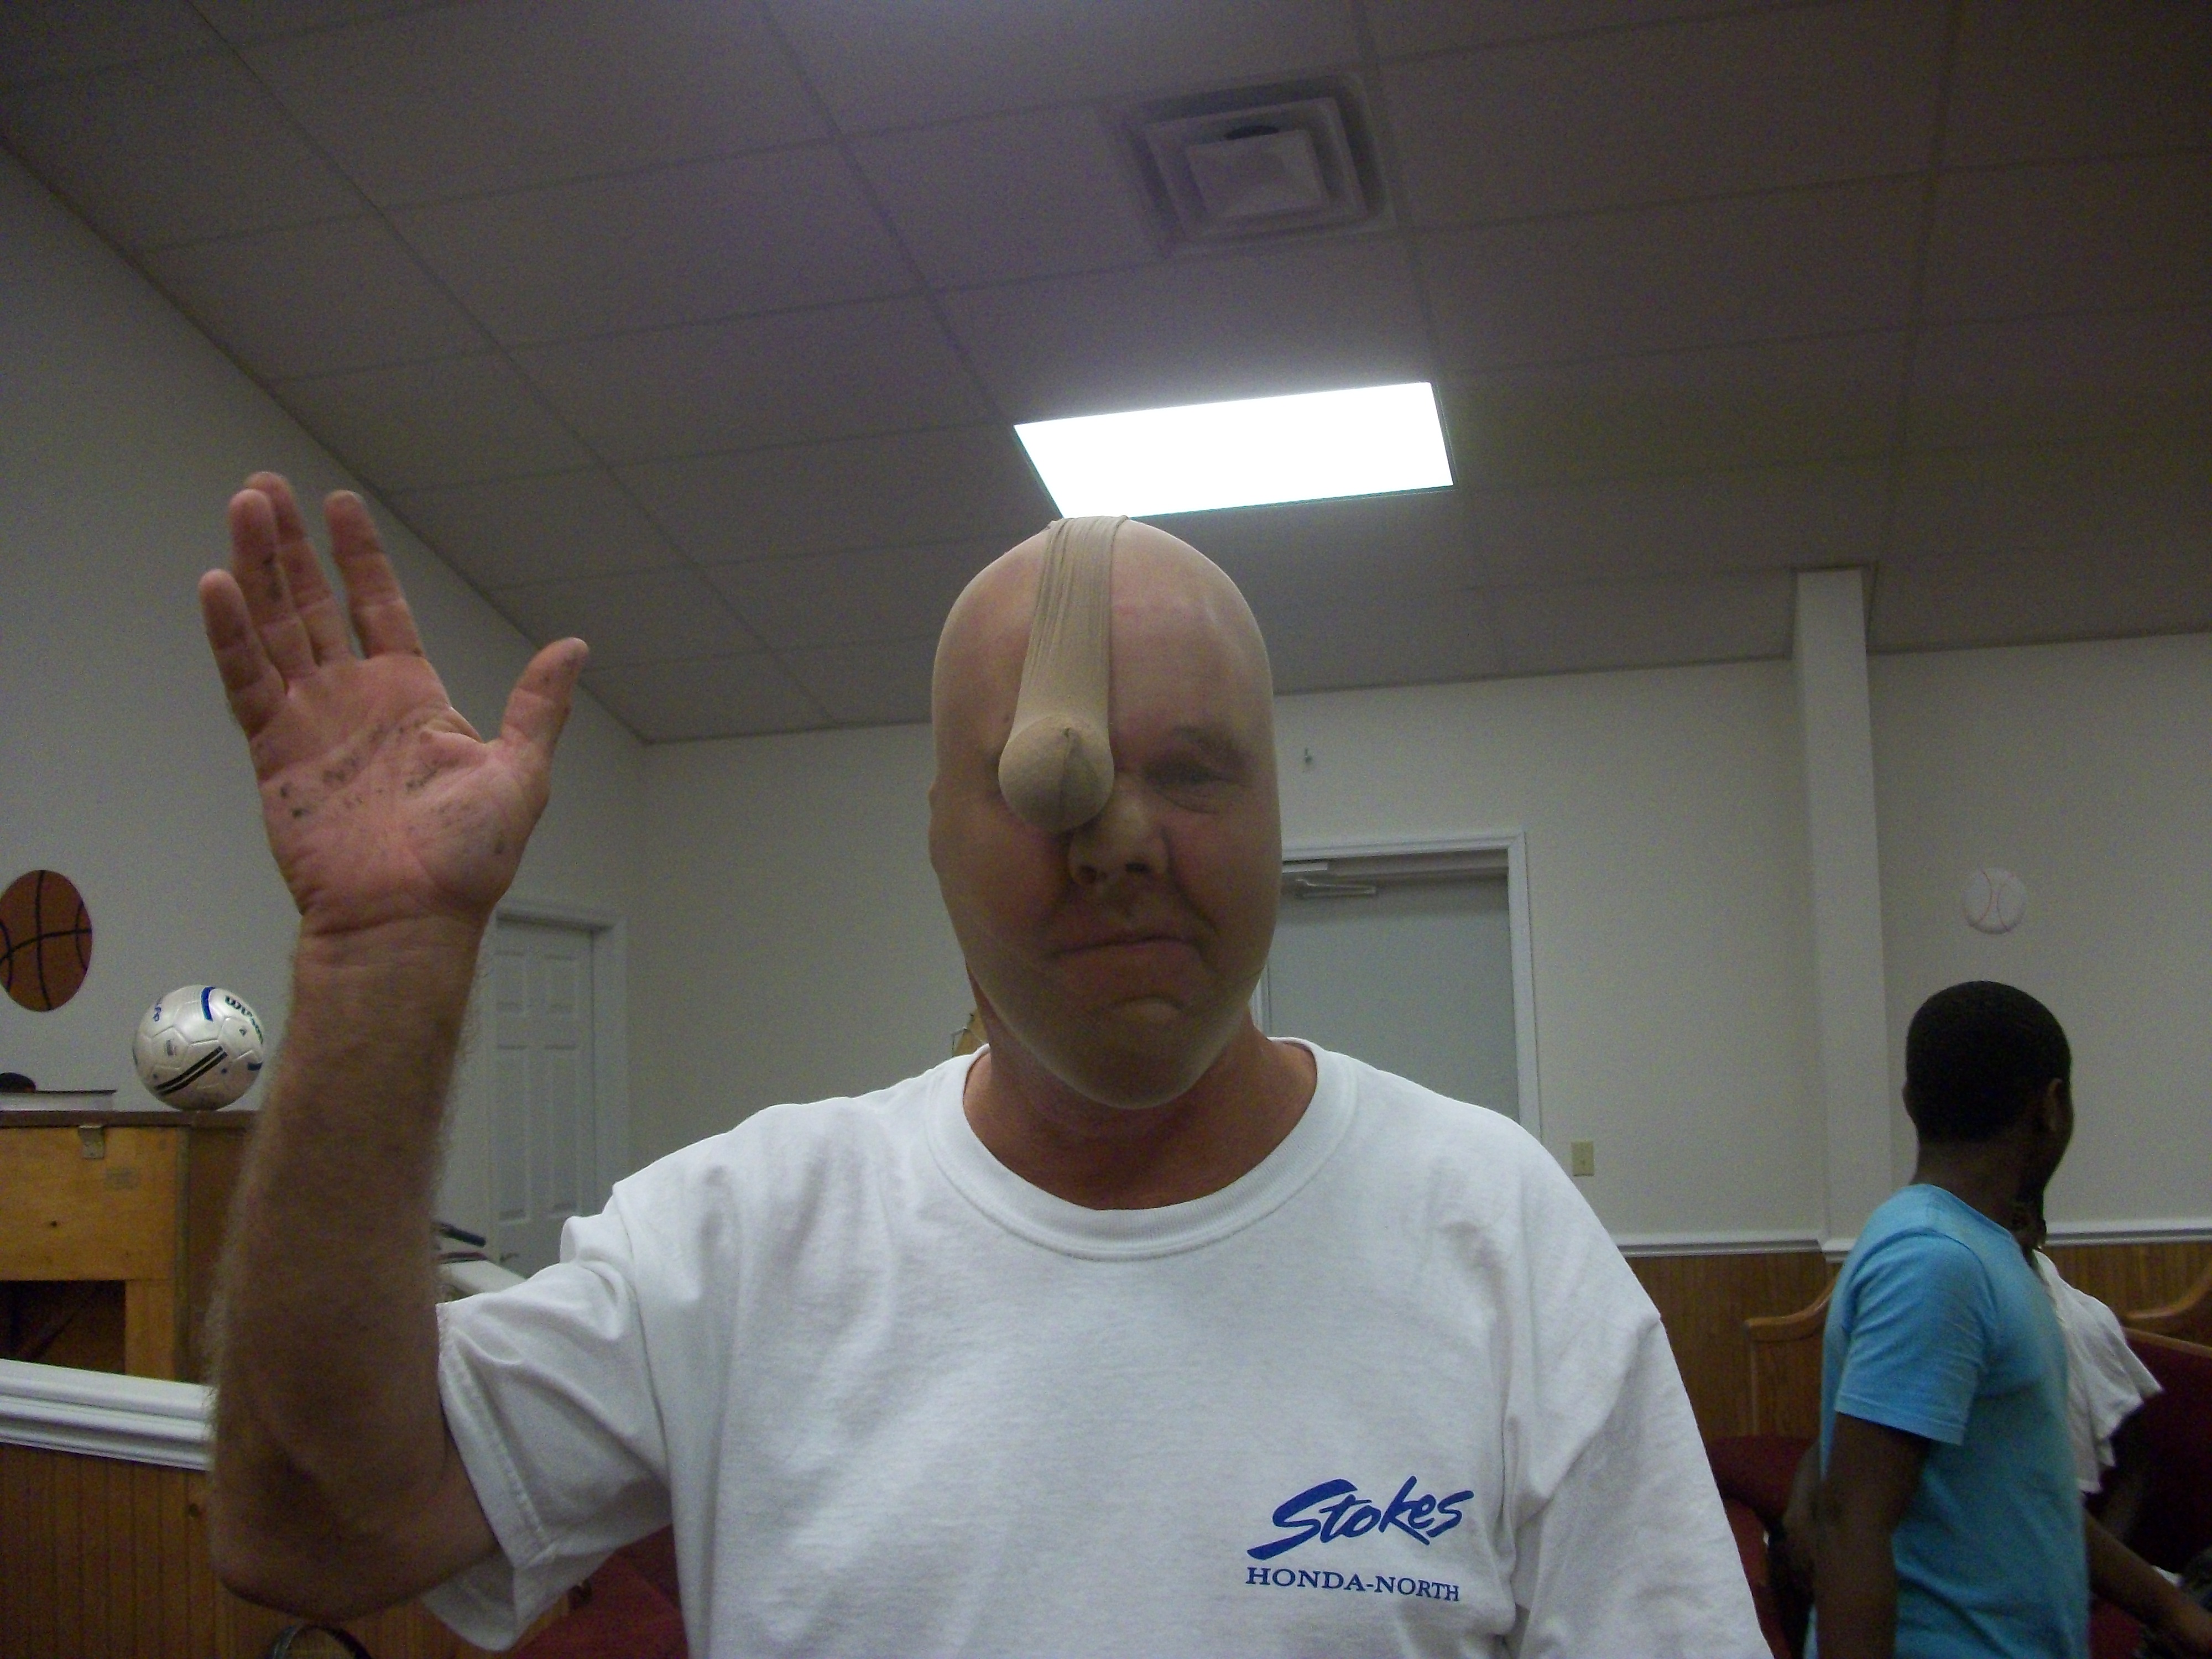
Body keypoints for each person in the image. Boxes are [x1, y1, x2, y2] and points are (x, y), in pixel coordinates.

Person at [200, 478, 1764, 1657]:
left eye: (1193, 771)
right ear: (938, 843)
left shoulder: (1492, 1229)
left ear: (1279, 822)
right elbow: (307, 1525)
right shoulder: (742, 1245)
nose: (1123, 844)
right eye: (1045, 782)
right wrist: (382, 960)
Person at [1809, 982, 2212, 1659]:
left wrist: (2171, 1608)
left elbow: (2028, 1495)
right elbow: (1851, 1521)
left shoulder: (1983, 1250)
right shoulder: (1936, 1261)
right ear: (2051, 1107)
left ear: (1910, 1103)